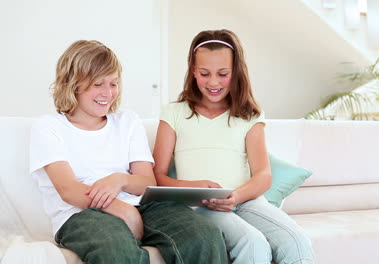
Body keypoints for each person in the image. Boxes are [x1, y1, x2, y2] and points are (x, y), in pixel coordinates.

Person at [29, 40, 228, 264]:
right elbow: (68, 189)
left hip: (143, 205)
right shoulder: (49, 127)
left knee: (204, 235)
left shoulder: (127, 121)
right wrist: (123, 210)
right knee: (117, 251)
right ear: (73, 84)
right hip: (80, 214)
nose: (108, 93)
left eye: (114, 83)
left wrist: (120, 180)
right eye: (98, 84)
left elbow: (146, 182)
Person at [152, 29, 315, 264]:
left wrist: (235, 197)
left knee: (297, 241)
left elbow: (263, 175)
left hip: (245, 201)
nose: (213, 82)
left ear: (236, 72)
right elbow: (157, 175)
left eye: (223, 74)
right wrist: (192, 187)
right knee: (253, 243)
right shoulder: (174, 113)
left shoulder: (249, 116)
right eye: (205, 73)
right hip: (201, 206)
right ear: (193, 71)